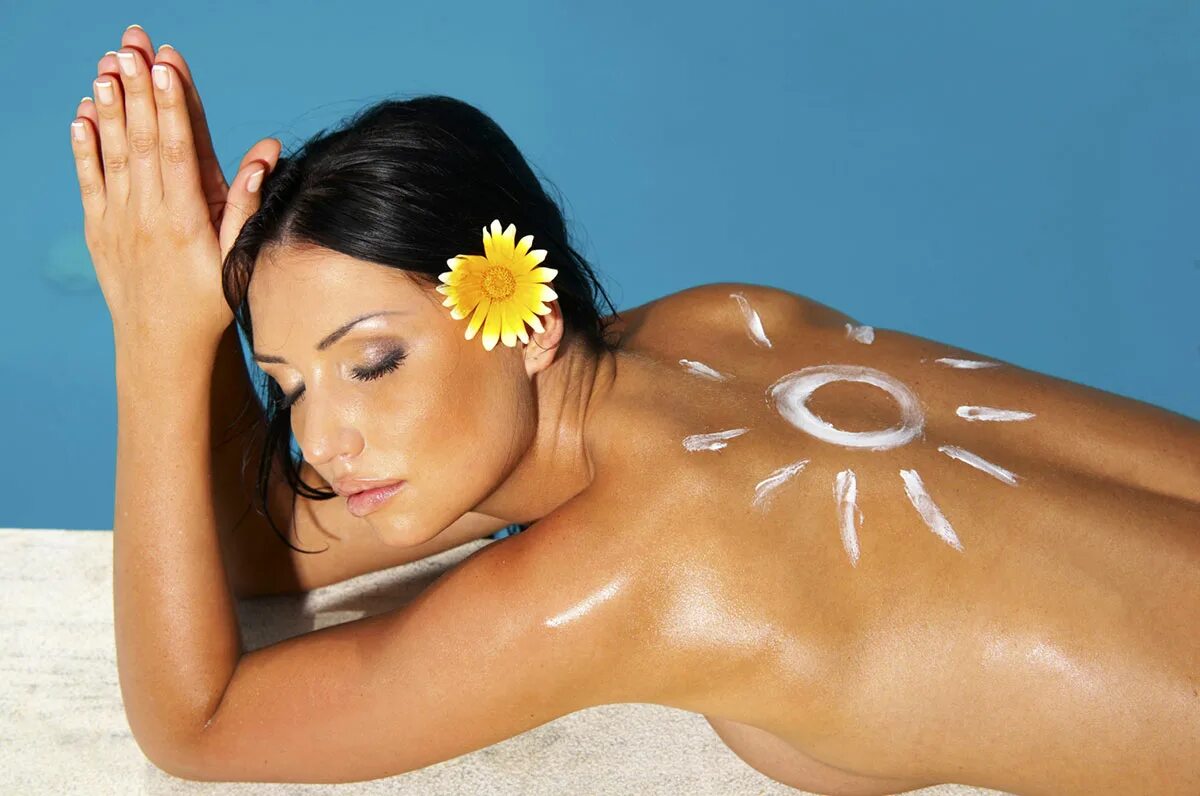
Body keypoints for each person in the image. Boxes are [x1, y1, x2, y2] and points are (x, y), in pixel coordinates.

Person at [70, 25, 1199, 795]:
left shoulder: (621, 580)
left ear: (527, 321)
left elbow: (199, 726)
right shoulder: (729, 323)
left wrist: (152, 347)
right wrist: (200, 323)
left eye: (372, 362)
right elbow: (267, 544)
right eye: (289, 384)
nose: (320, 440)